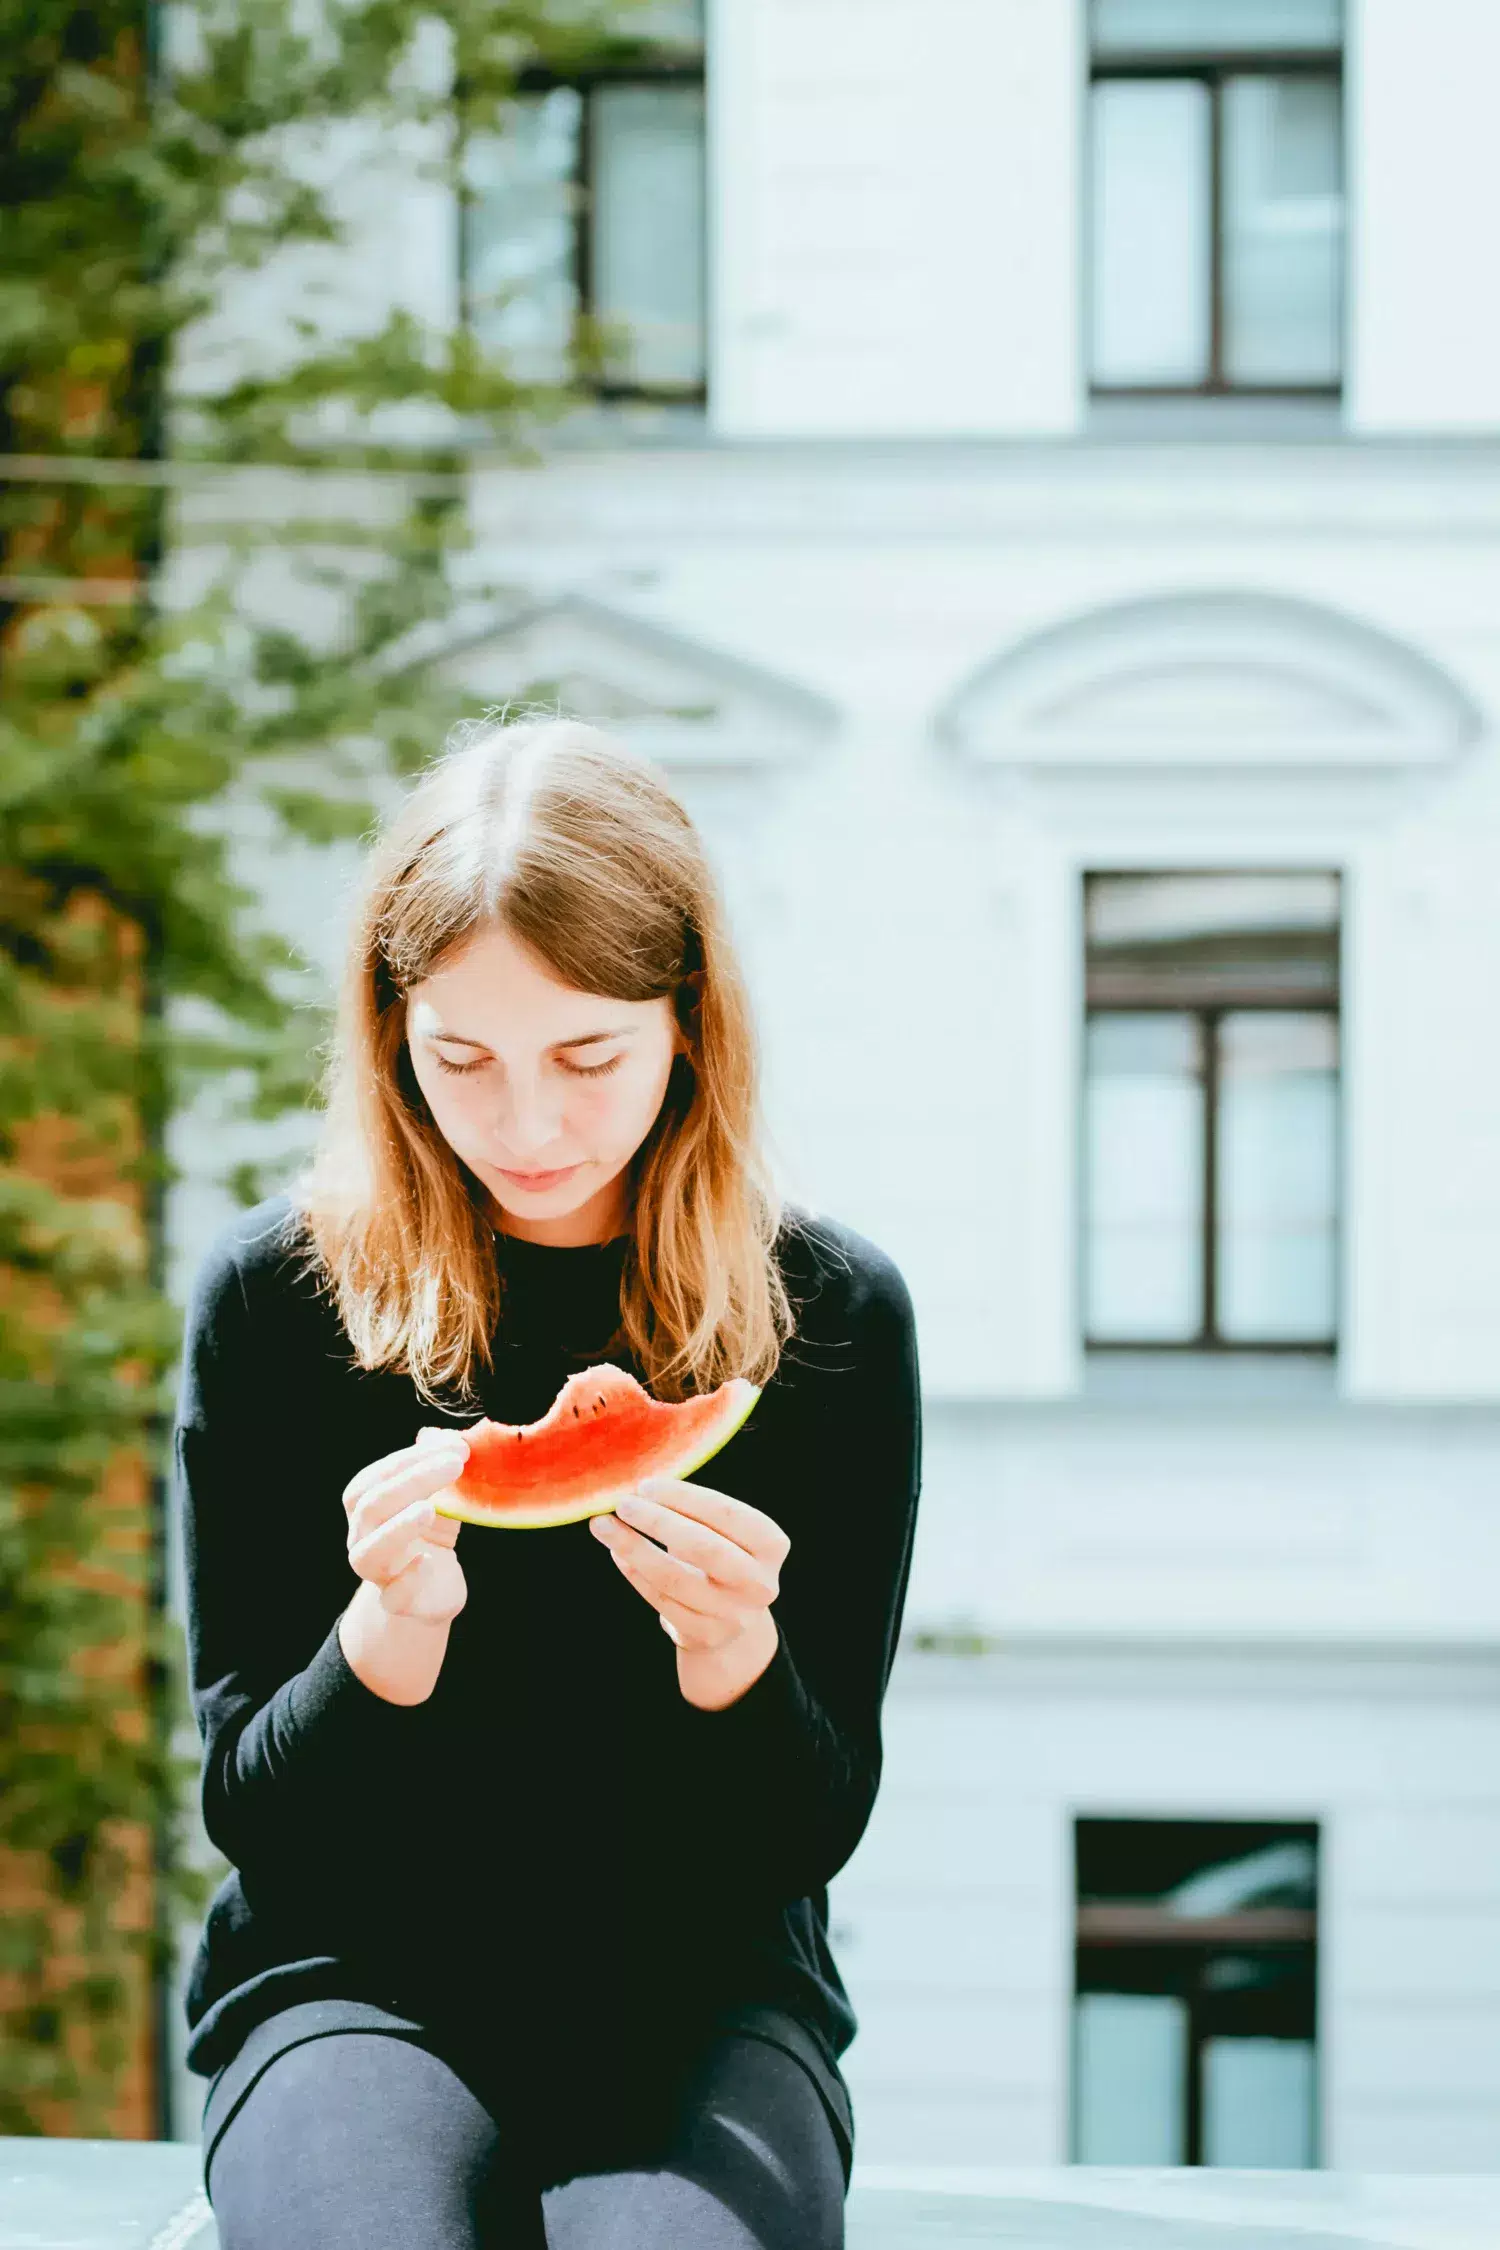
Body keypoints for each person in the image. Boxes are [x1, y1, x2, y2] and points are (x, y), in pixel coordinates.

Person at [174, 714, 923, 2248]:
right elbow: (256, 1814)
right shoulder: (274, 1299)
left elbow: (808, 1833)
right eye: (462, 1058)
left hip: (704, 1994)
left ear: (688, 1022)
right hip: (346, 1984)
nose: (526, 1125)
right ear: (392, 1033)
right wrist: (384, 1641)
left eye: (588, 1056)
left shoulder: (829, 1314)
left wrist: (735, 1658)